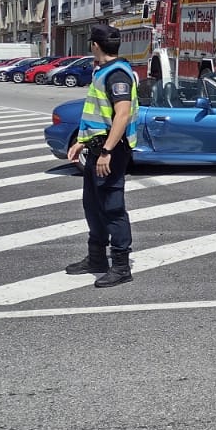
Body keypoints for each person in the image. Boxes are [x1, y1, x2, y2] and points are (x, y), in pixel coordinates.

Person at [65, 24, 139, 288]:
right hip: (96, 149)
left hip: (111, 151)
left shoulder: (117, 75)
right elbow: (96, 113)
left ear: (95, 45)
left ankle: (120, 266)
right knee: (92, 206)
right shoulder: (103, 71)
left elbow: (122, 114)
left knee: (112, 208)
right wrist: (82, 142)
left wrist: (107, 150)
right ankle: (96, 258)